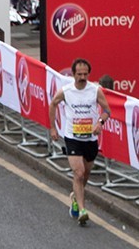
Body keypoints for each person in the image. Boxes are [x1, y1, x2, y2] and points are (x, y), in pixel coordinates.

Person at [48, 58, 112, 226]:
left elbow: (107, 110)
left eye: (85, 74)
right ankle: (82, 210)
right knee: (78, 173)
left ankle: (75, 198)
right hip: (72, 138)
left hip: (90, 139)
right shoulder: (66, 91)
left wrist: (100, 123)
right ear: (73, 74)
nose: (82, 77)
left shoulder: (95, 90)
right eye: (79, 74)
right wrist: (53, 128)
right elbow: (53, 104)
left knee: (86, 174)